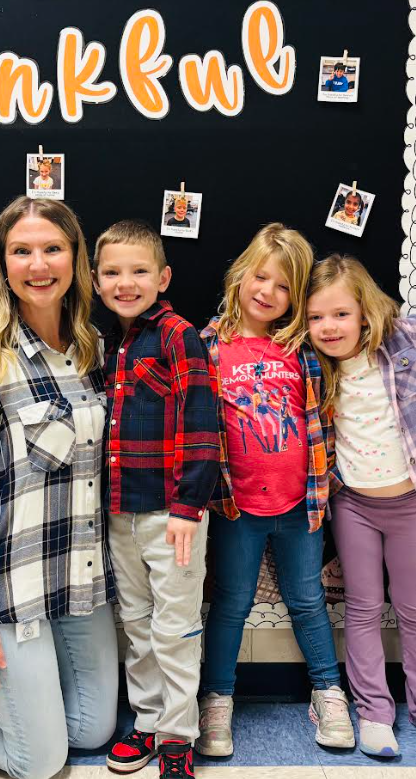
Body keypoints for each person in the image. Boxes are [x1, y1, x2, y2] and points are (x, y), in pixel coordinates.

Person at [0, 196, 117, 779]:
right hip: (12, 595)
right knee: (39, 765)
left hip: (81, 581)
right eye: (22, 251)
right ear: (3, 263)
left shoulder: (93, 348)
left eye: (52, 249)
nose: (38, 265)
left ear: (75, 260)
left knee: (95, 731)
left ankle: (25, 701)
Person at [196, 223, 354, 757]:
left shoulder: (304, 349)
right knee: (231, 603)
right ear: (241, 275)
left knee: (308, 601)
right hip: (236, 504)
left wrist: (323, 485)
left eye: (283, 286)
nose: (267, 292)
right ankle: (217, 699)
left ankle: (328, 692)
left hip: (301, 501)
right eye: (260, 277)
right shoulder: (209, 345)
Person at [92, 220, 219, 778]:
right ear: (95, 281)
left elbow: (200, 420)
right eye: (113, 272)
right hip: (123, 510)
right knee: (138, 623)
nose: (126, 282)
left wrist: (190, 506)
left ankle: (177, 734)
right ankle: (146, 720)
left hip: (174, 514)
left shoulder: (177, 335)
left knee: (175, 628)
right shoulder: (110, 343)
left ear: (162, 276)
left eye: (139, 271)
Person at [306, 254, 416, 758]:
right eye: (315, 317)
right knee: (364, 607)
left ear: (366, 313)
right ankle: (374, 711)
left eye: (340, 314)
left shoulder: (403, 345)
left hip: (409, 503)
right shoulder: (314, 366)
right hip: (354, 506)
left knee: (414, 611)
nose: (328, 327)